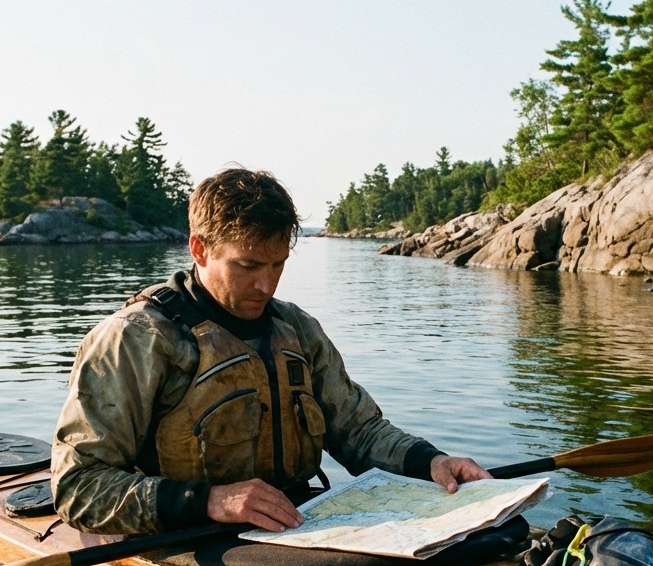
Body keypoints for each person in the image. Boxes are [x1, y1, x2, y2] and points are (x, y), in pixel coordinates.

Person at [51, 167, 490, 535]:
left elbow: (359, 433)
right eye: (248, 266)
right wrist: (210, 501)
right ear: (199, 249)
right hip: (187, 534)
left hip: (297, 524)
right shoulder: (134, 339)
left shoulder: (297, 329)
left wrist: (432, 461)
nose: (267, 284)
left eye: (278, 264)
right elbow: (78, 488)